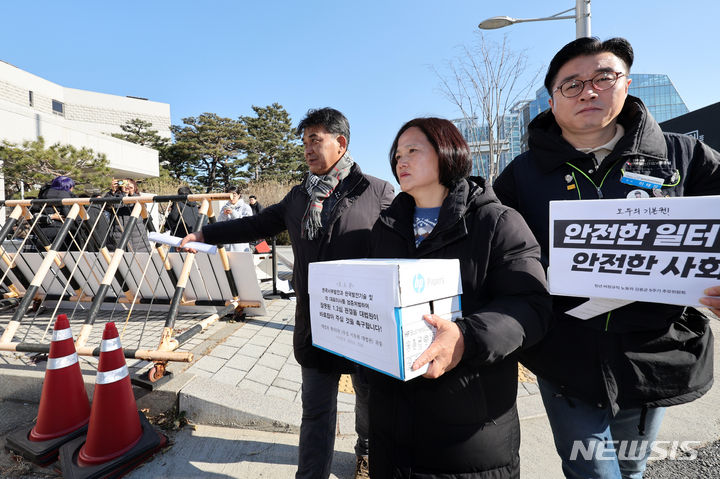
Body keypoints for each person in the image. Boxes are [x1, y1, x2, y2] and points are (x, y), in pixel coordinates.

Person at [493, 37, 720, 479]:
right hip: (564, 354)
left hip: (654, 351)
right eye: (572, 85)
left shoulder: (684, 157)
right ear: (553, 99)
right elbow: (494, 248)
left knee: (632, 467)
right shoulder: (521, 175)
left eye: (603, 77)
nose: (589, 92)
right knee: (590, 470)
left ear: (626, 83)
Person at [180, 107, 395, 479]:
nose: (308, 149)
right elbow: (257, 223)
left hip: (363, 321)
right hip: (315, 321)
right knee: (315, 410)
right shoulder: (298, 197)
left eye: (316, 140)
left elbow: (400, 247)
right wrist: (205, 234)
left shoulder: (377, 191)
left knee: (369, 403)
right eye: (305, 142)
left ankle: (367, 453)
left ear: (340, 143)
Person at [366, 117, 551, 478]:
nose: (401, 161)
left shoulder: (496, 222)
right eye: (397, 154)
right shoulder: (386, 226)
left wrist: (467, 337)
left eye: (413, 151)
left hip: (468, 428)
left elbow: (531, 306)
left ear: (448, 152)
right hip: (391, 423)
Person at [217, 186, 252, 252]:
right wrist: (224, 214)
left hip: (240, 243)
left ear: (239, 195)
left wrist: (233, 213)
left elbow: (246, 224)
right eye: (229, 195)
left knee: (240, 261)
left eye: (234, 195)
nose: (232, 198)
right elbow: (219, 222)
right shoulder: (225, 207)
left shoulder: (246, 207)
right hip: (226, 242)